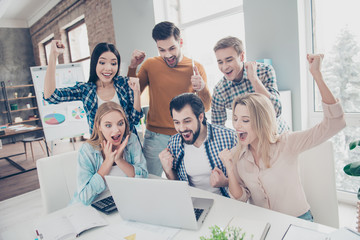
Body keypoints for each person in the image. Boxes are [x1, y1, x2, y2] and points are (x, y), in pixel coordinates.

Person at [219, 54, 346, 220]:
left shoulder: (287, 143)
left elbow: (334, 123)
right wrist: (229, 168)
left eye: (245, 120)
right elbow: (241, 197)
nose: (237, 126)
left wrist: (317, 75)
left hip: (299, 221)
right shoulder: (237, 154)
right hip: (266, 224)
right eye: (235, 119)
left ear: (260, 122)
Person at [128, 21, 212, 176]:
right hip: (155, 137)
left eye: (172, 48)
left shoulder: (195, 67)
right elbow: (130, 93)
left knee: (184, 181)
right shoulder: (150, 65)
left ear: (180, 42)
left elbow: (206, 107)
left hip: (185, 135)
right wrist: (133, 67)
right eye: (162, 49)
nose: (167, 54)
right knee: (149, 180)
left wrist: (202, 87)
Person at [43, 40, 143, 134]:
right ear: (94, 63)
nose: (108, 68)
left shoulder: (124, 84)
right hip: (102, 150)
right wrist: (53, 55)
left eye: (113, 63)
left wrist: (137, 91)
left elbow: (135, 119)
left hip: (129, 147)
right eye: (102, 62)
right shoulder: (86, 90)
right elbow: (51, 96)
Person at [159, 93, 237, 197]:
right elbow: (177, 185)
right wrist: (168, 170)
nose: (182, 128)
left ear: (200, 117)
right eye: (177, 122)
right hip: (193, 202)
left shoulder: (229, 137)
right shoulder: (174, 143)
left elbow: (246, 183)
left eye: (187, 121)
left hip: (226, 202)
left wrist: (226, 182)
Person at [73, 101, 148, 205]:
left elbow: (144, 179)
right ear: (98, 126)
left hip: (128, 201)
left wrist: (119, 160)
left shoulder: (131, 140)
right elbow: (84, 198)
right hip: (97, 206)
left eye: (120, 123)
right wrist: (108, 161)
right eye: (108, 125)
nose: (116, 130)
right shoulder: (87, 151)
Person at [211, 36, 289, 133]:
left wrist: (254, 79)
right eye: (220, 62)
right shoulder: (219, 90)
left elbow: (276, 111)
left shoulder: (264, 71)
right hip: (252, 143)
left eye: (229, 60)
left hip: (278, 135)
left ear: (242, 57)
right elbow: (217, 129)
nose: (224, 67)